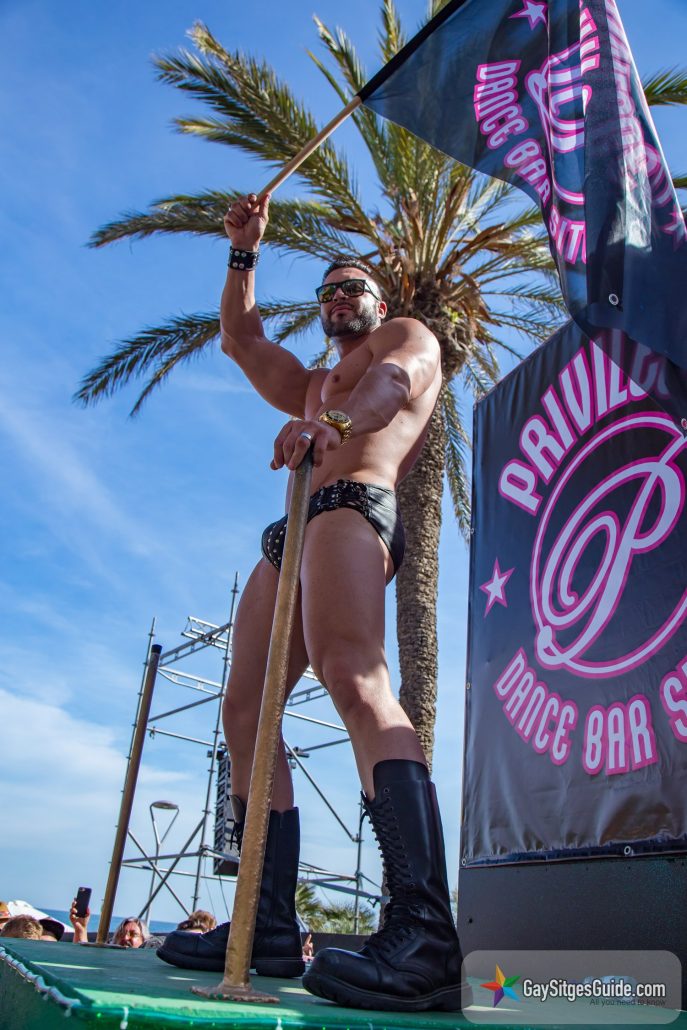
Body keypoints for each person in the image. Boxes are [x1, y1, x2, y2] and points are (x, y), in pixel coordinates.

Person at [157, 194, 469, 1012]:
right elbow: (241, 339)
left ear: (378, 302)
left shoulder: (403, 338)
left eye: (353, 287)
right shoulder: (308, 382)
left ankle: (424, 932)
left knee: (354, 677)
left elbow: (394, 386)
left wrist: (334, 422)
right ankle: (263, 923)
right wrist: (244, 251)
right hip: (292, 528)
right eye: (327, 290)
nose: (338, 297)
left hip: (354, 507)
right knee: (244, 711)